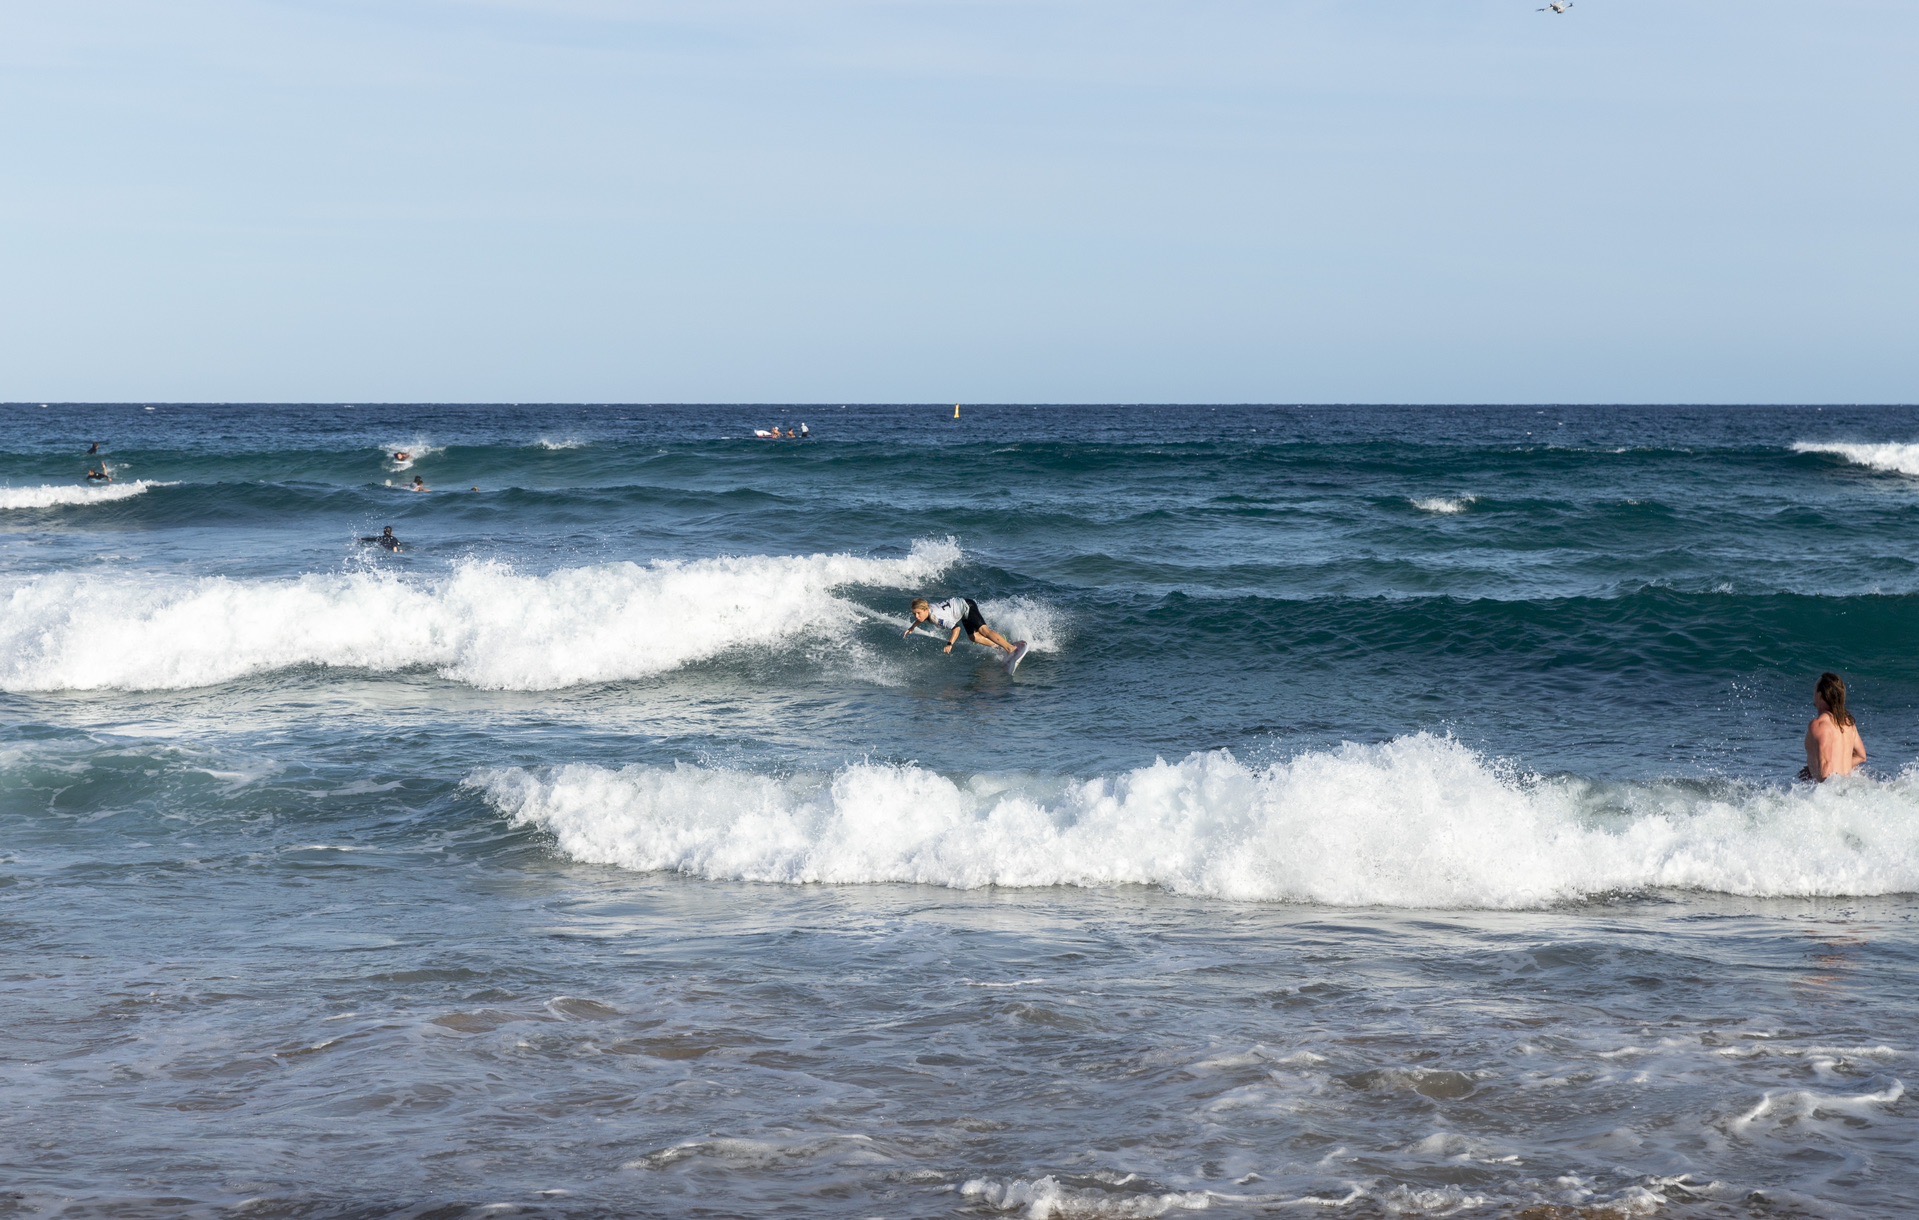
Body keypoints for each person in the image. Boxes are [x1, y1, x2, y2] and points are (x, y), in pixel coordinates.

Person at [904, 596, 1023, 658]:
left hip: (967, 606)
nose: (916, 616)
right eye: (914, 614)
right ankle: (998, 647)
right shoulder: (928, 610)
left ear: (926, 609)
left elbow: (957, 629)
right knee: (974, 637)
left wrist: (950, 644)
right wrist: (912, 628)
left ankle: (1010, 648)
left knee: (984, 631)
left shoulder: (937, 618)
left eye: (918, 613)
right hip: (961, 611)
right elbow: (922, 618)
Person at [1801, 672, 1867, 782]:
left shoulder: (1820, 725)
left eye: (1815, 689)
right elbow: (1861, 756)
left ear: (1821, 695)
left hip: (1831, 794)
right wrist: (1840, 768)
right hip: (1845, 789)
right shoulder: (1848, 723)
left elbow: (1826, 770)